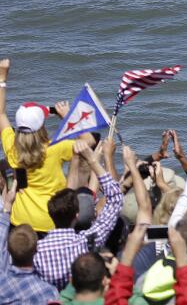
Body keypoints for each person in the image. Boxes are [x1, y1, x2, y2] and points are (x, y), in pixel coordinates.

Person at [34, 140, 124, 290]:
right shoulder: (87, 242)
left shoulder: (37, 249)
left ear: (50, 214)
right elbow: (116, 198)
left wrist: (75, 160)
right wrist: (94, 161)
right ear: (76, 215)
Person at [0, 58, 76, 233]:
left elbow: (1, 113)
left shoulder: (12, 148)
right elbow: (88, 142)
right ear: (41, 126)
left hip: (20, 220)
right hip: (51, 221)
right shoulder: (56, 149)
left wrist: (2, 77)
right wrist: (68, 117)